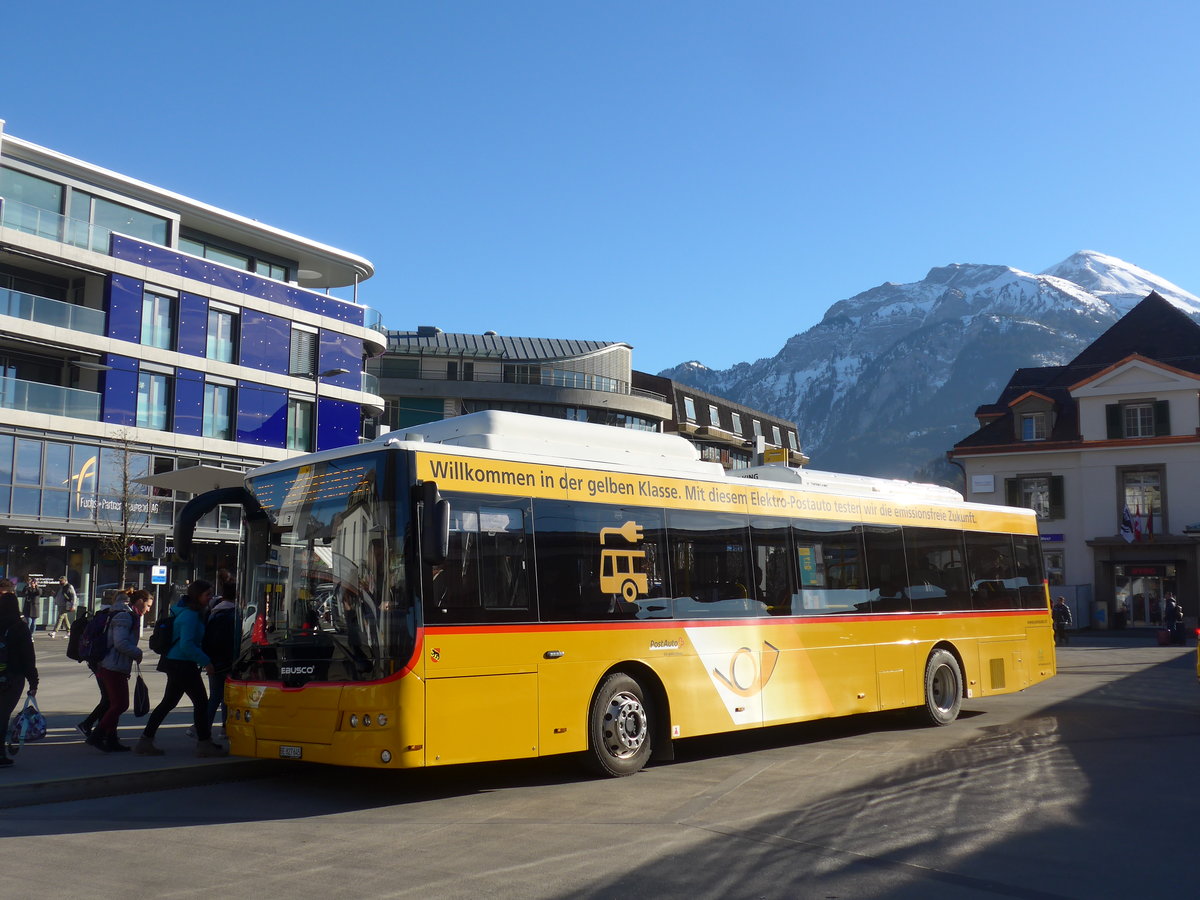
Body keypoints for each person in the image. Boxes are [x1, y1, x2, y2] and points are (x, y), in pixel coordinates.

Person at [135, 580, 227, 757]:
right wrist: (206, 662)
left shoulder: (188, 612)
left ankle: (145, 741)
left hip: (176, 662)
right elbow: (187, 645)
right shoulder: (190, 616)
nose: (210, 597)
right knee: (201, 703)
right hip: (182, 663)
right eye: (207, 594)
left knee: (169, 702)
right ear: (197, 596)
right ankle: (204, 744)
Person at [87, 589, 152, 753]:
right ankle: (97, 735)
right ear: (140, 601)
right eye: (148, 605)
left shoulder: (128, 615)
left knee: (114, 704)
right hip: (113, 665)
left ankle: (111, 739)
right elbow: (120, 643)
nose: (149, 609)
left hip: (113, 665)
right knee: (121, 704)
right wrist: (138, 653)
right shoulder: (124, 616)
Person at [0, 581, 39, 768]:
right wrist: (33, 682)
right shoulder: (19, 626)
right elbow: (28, 657)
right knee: (2, 715)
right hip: (13, 676)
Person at [77, 588, 118, 739]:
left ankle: (103, 731)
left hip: (95, 660)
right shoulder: (111, 617)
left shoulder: (100, 616)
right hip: (102, 662)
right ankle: (89, 726)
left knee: (107, 697)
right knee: (110, 698)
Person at [200, 584, 237, 738]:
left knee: (215, 696)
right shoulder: (234, 614)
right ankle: (225, 728)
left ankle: (202, 728)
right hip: (228, 661)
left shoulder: (213, 612)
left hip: (213, 660)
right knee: (228, 697)